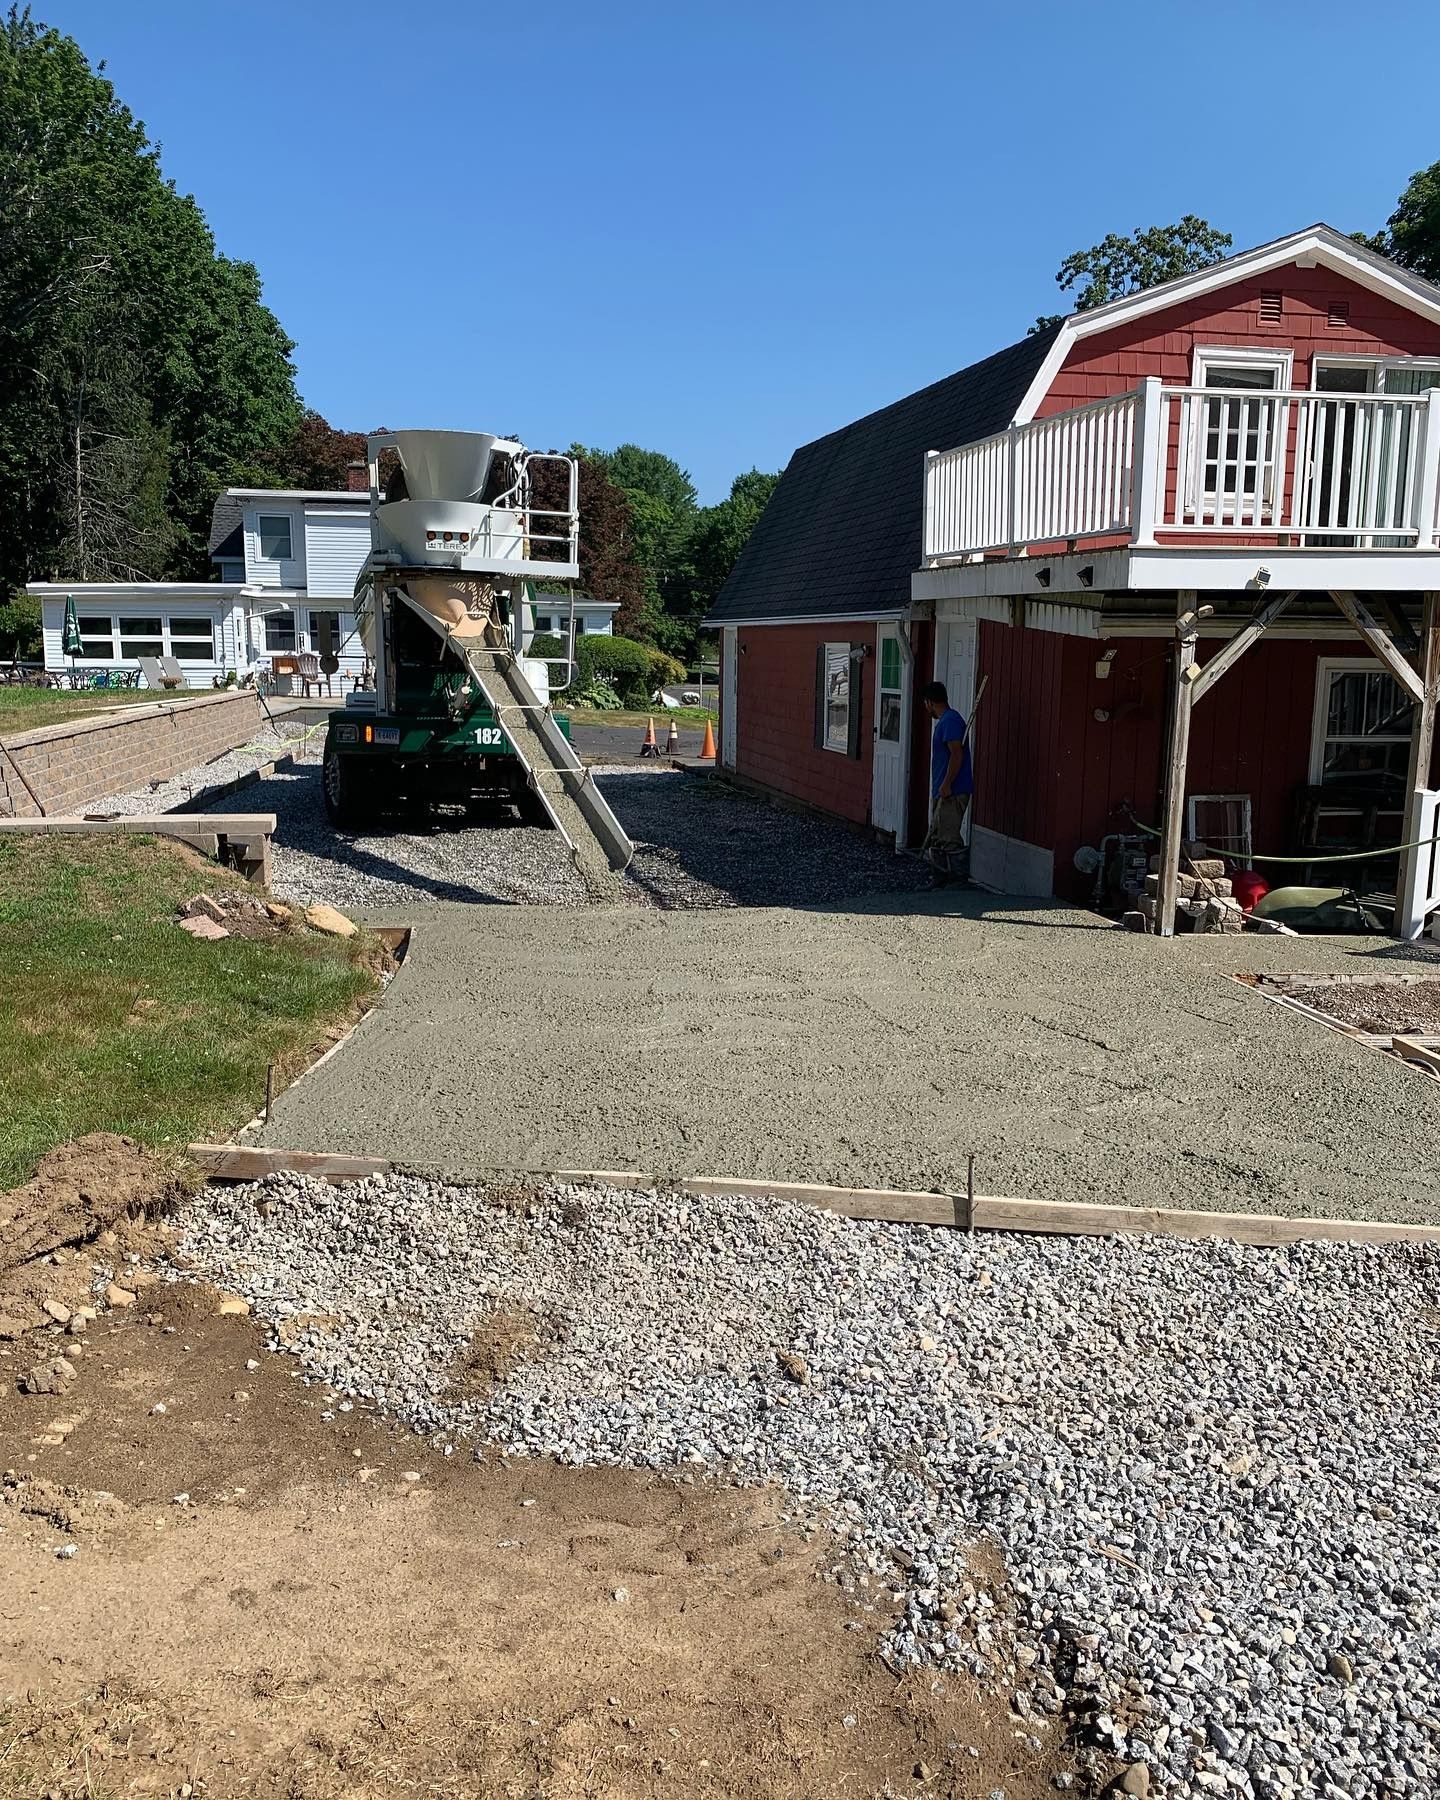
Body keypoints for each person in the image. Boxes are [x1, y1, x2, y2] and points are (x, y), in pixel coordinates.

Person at [921, 679, 973, 886]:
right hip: (943, 790)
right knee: (938, 834)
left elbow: (957, 755)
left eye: (926, 704)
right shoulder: (945, 721)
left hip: (952, 790)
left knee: (949, 836)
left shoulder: (950, 721)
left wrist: (946, 784)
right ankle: (939, 879)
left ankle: (958, 882)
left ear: (930, 702)